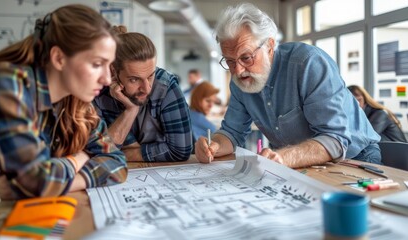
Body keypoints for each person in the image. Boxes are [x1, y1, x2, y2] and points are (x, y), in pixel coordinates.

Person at [0, 4, 128, 214]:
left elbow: (117, 162)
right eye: (96, 64)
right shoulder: (6, 84)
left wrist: (65, 180)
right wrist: (77, 159)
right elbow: (38, 182)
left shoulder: (75, 100)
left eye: (108, 66)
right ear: (59, 58)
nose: (106, 79)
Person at [195, 3, 381, 167]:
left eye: (246, 57)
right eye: (229, 61)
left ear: (269, 45)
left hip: (355, 158)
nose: (238, 71)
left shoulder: (308, 64)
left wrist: (284, 158)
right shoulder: (239, 81)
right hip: (296, 163)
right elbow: (232, 132)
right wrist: (215, 145)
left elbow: (335, 140)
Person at [93, 26, 193, 162]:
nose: (146, 88)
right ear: (114, 71)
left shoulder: (167, 86)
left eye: (150, 76)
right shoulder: (98, 92)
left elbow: (180, 151)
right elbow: (99, 153)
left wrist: (124, 153)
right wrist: (131, 110)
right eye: (134, 79)